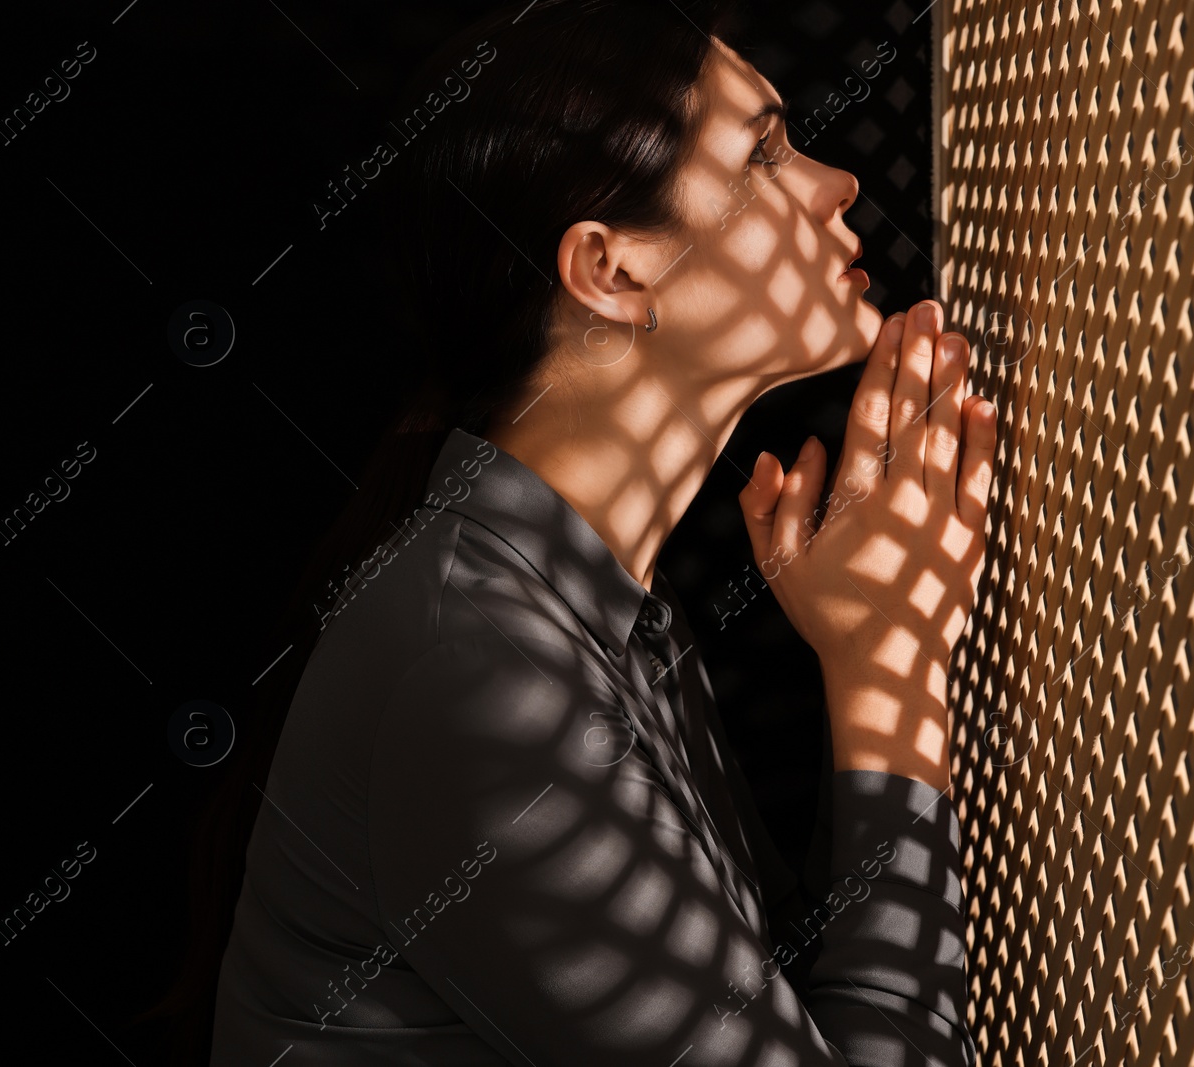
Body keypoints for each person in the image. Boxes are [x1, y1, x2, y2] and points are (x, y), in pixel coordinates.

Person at [201, 0, 996, 1062]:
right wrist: (885, 674)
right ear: (612, 270)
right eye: (763, 153)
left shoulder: (589, 601)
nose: (834, 183)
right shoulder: (485, 677)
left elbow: (774, 998)